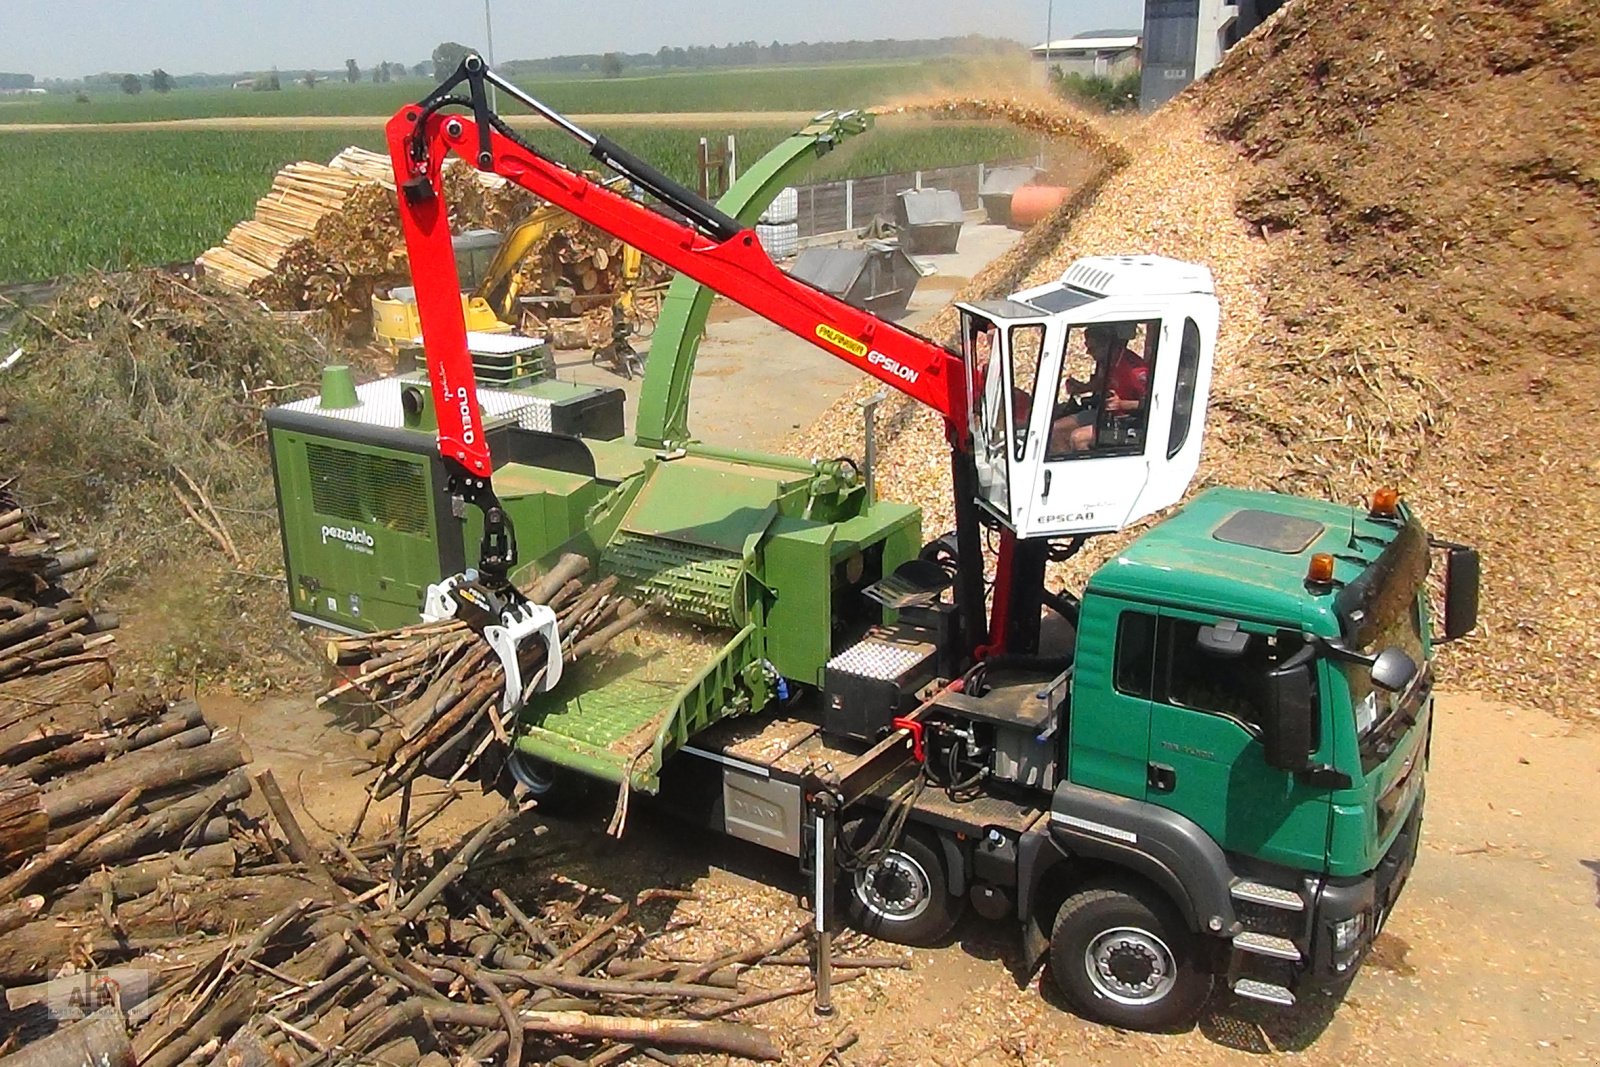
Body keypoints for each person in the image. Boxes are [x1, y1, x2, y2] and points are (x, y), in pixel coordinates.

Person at [1049, 323, 1150, 455]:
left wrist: (1122, 404)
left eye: (1092, 348)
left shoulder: (1135, 370)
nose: (1088, 352)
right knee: (1054, 430)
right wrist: (1082, 388)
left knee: (1079, 438)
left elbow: (1150, 404)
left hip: (1129, 420)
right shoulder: (1106, 362)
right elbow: (1104, 383)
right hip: (1105, 414)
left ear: (1108, 346)